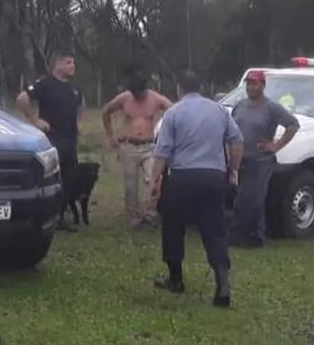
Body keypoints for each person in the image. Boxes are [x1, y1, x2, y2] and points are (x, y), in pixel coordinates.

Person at [149, 71, 243, 308]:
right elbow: (237, 140)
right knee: (215, 231)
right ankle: (222, 282)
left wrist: (154, 180)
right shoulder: (219, 111)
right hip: (213, 177)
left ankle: (176, 278)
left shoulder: (174, 113)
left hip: (183, 178)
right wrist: (233, 169)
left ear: (179, 89)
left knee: (172, 227)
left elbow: (163, 152)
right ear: (202, 88)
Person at [229, 70, 299, 248]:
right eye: (248, 84)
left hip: (260, 161)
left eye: (254, 84)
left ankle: (256, 237)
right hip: (240, 159)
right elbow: (231, 128)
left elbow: (292, 125)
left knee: (255, 199)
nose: (250, 87)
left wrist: (275, 145)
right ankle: (239, 234)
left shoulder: (271, 108)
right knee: (240, 198)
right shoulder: (240, 106)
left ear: (262, 86)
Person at [17, 53, 83, 232]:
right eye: (68, 62)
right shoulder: (45, 84)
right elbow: (22, 99)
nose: (72, 66)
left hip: (70, 140)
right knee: (52, 178)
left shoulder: (74, 87)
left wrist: (78, 122)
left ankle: (62, 216)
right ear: (57, 64)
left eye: (73, 62)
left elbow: (79, 106)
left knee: (69, 180)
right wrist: (35, 121)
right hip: (53, 138)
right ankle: (46, 216)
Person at [100, 69, 173, 229]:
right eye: (134, 94)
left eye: (139, 93)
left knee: (153, 179)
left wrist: (165, 132)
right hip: (129, 146)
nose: (137, 97)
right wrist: (111, 136)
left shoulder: (155, 98)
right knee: (130, 184)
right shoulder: (124, 98)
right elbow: (106, 112)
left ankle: (151, 213)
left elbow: (173, 110)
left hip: (149, 146)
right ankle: (133, 217)